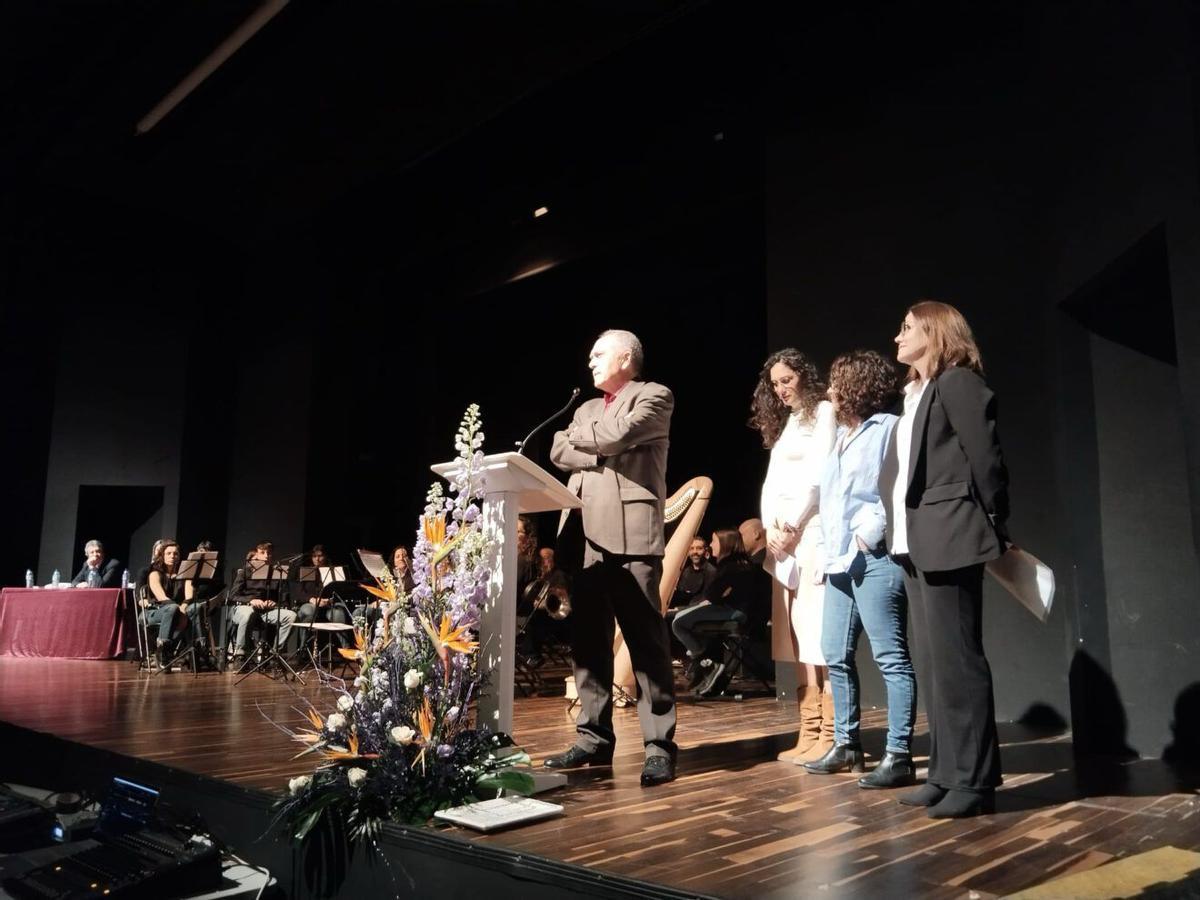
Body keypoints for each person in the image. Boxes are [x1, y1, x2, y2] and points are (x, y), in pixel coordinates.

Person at [880, 300, 1008, 818]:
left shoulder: (958, 382)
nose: (897, 337)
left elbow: (988, 458)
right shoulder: (915, 393)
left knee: (958, 661)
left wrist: (997, 521)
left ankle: (975, 782)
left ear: (934, 332)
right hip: (916, 541)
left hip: (951, 533)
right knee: (934, 665)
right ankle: (946, 773)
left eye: (906, 327)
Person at [543, 328, 678, 787]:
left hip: (631, 536)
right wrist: (596, 449)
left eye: (598, 354)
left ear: (625, 357)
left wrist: (588, 443)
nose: (591, 362)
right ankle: (593, 737)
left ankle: (659, 745)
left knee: (646, 644)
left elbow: (621, 433)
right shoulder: (582, 408)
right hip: (582, 537)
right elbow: (556, 449)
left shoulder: (655, 395)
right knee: (587, 644)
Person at [805, 350, 917, 792]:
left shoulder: (888, 429)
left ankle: (899, 754)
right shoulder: (841, 436)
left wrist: (866, 536)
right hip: (839, 562)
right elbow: (832, 499)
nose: (829, 391)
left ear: (855, 387)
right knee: (834, 651)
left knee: (891, 658)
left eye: (836, 383)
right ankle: (847, 745)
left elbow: (893, 489)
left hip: (875, 557)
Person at [751, 348, 837, 763]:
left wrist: (792, 528)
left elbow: (818, 478)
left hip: (810, 535)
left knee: (819, 632)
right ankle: (810, 727)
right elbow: (774, 482)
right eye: (775, 384)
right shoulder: (788, 424)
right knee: (796, 634)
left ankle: (832, 732)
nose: (781, 389)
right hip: (783, 543)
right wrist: (770, 527)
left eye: (787, 380)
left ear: (805, 375)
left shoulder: (824, 413)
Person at [671, 529, 764, 693]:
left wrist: (708, 602)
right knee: (682, 617)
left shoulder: (729, 566)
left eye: (714, 541)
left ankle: (704, 661)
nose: (711, 545)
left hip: (735, 613)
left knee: (678, 622)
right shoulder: (742, 563)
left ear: (725, 544)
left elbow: (712, 595)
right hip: (740, 611)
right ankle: (703, 662)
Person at [229, 542, 296, 658]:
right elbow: (233, 595)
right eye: (262, 553)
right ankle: (240, 654)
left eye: (269, 553)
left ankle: (275, 653)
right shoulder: (245, 572)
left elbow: (284, 599)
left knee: (291, 616)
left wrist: (274, 602)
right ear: (257, 554)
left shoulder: (276, 573)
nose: (266, 556)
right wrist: (251, 600)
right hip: (245, 607)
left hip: (266, 611)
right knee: (248, 613)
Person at [142, 538, 195, 671]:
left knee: (195, 609)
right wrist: (179, 609)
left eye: (175, 553)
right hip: (154, 612)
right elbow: (161, 597)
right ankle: (163, 653)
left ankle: (177, 652)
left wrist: (182, 608)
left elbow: (189, 596)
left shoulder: (184, 573)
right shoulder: (155, 572)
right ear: (162, 555)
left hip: (176, 612)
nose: (173, 556)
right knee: (171, 608)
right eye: (169, 553)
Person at [295, 545, 352, 649]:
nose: (317, 559)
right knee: (308, 611)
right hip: (311, 603)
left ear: (325, 557)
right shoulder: (307, 571)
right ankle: (303, 649)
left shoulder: (333, 572)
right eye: (314, 556)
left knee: (338, 613)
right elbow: (299, 593)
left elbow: (342, 592)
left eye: (320, 556)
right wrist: (312, 599)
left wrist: (329, 600)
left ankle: (346, 648)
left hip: (330, 603)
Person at [670, 537, 716, 610]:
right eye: (692, 548)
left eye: (699, 548)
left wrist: (679, 609)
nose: (695, 552)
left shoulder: (711, 572)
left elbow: (706, 601)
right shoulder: (685, 572)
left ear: (706, 551)